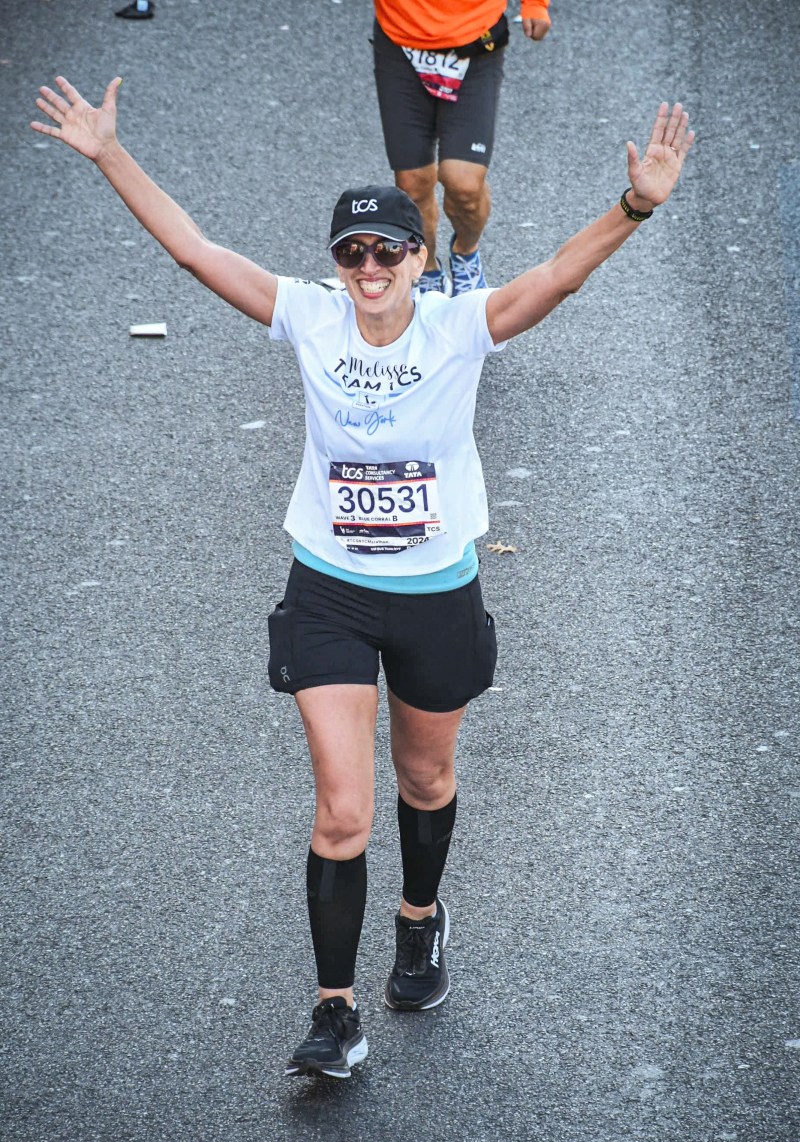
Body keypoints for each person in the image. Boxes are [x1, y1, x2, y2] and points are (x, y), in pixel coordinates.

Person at [31, 75, 694, 1080]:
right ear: (337, 264)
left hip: (434, 591)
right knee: (341, 807)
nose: (369, 265)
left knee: (423, 777)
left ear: (420, 260)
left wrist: (635, 205)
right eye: (353, 251)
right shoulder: (307, 317)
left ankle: (418, 920)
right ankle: (334, 1013)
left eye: (388, 250)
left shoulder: (456, 327)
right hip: (329, 589)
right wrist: (108, 152)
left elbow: (555, 275)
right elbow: (193, 249)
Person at [372, 0, 552, 296]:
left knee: (464, 184)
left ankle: (466, 254)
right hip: (400, 40)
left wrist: (535, 5)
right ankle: (425, 270)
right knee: (412, 185)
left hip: (475, 42)